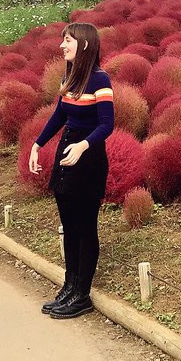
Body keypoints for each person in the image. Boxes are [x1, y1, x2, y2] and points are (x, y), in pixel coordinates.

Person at [28, 23, 114, 320]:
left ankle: (83, 295)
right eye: (63, 40)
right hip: (67, 154)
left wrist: (83, 146)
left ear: (85, 45)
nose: (62, 46)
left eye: (68, 41)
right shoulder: (70, 77)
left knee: (85, 226)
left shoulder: (100, 80)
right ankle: (70, 285)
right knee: (69, 225)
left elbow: (107, 124)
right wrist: (38, 144)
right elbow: (60, 114)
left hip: (88, 159)